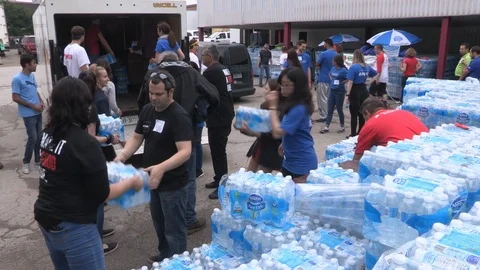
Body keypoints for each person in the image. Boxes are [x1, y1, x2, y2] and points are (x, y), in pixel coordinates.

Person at [34, 76, 143, 270]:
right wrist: (132, 182)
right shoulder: (86, 143)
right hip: (74, 225)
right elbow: (102, 195)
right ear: (80, 106)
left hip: (47, 218)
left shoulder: (46, 134)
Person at [115, 70, 193, 264]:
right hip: (153, 181)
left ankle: (177, 264)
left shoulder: (179, 116)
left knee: (174, 229)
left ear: (170, 92)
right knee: (159, 225)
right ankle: (165, 257)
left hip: (173, 184)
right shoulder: (148, 110)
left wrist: (161, 167)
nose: (154, 98)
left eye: (158, 94)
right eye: (151, 93)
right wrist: (122, 156)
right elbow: (136, 136)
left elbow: (185, 151)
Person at [156, 51, 220, 234]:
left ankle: (167, 217)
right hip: (187, 130)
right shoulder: (191, 73)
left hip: (161, 133)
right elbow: (213, 95)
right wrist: (202, 111)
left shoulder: (153, 74)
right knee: (188, 176)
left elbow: (142, 102)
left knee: (163, 172)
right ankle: (189, 219)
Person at [79, 70, 120, 255]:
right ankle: (98, 243)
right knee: (97, 201)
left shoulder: (74, 106)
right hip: (91, 159)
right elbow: (91, 138)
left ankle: (96, 233)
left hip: (80, 161)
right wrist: (110, 138)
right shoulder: (90, 107)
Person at [339, 97, 428, 171]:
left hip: (405, 161)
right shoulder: (404, 113)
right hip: (429, 154)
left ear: (367, 113)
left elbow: (357, 159)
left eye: (364, 117)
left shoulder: (372, 123)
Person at [265, 67, 318, 183]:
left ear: (297, 86)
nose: (282, 88)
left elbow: (277, 132)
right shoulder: (294, 104)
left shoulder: (298, 108)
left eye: (286, 84)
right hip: (290, 161)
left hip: (302, 164)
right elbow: (296, 129)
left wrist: (272, 107)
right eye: (282, 84)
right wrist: (285, 143)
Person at [201, 45, 235, 200]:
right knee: (217, 149)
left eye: (203, 56)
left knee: (218, 151)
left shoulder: (210, 72)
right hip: (226, 112)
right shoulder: (223, 68)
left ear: (210, 56)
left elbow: (200, 90)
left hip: (218, 115)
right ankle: (218, 178)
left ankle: (223, 184)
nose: (202, 58)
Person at [237, 78, 283, 173]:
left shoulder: (282, 110)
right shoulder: (264, 106)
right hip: (261, 146)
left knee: (266, 177)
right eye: (265, 88)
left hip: (274, 149)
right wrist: (244, 127)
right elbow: (257, 127)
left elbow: (274, 135)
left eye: (267, 89)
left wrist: (254, 132)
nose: (264, 91)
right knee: (251, 174)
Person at [11, 54, 44, 174]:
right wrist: (32, 106)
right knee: (33, 138)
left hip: (37, 111)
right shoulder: (17, 79)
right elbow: (15, 97)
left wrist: (40, 102)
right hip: (28, 114)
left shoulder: (32, 76)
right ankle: (26, 162)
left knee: (39, 137)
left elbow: (34, 90)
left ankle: (38, 161)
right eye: (34, 63)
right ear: (27, 65)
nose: (36, 65)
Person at [345, 49, 377, 138]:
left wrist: (348, 95)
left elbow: (350, 82)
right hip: (364, 90)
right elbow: (376, 74)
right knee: (362, 113)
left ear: (355, 56)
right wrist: (369, 82)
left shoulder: (353, 67)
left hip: (355, 90)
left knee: (354, 114)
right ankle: (360, 133)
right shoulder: (367, 66)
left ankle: (353, 134)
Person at [320, 54, 348, 134]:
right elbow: (330, 74)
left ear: (337, 62)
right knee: (330, 109)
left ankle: (342, 126)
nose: (332, 62)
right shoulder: (333, 68)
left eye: (333, 61)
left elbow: (349, 77)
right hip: (332, 90)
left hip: (339, 91)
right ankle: (326, 127)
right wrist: (332, 80)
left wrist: (343, 82)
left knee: (339, 109)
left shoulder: (343, 70)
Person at [315, 38, 337, 122]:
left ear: (327, 44)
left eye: (324, 44)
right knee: (329, 98)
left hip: (323, 78)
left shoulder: (324, 54)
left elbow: (317, 64)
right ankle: (329, 114)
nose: (323, 45)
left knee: (322, 98)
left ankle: (324, 116)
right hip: (333, 79)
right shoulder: (336, 54)